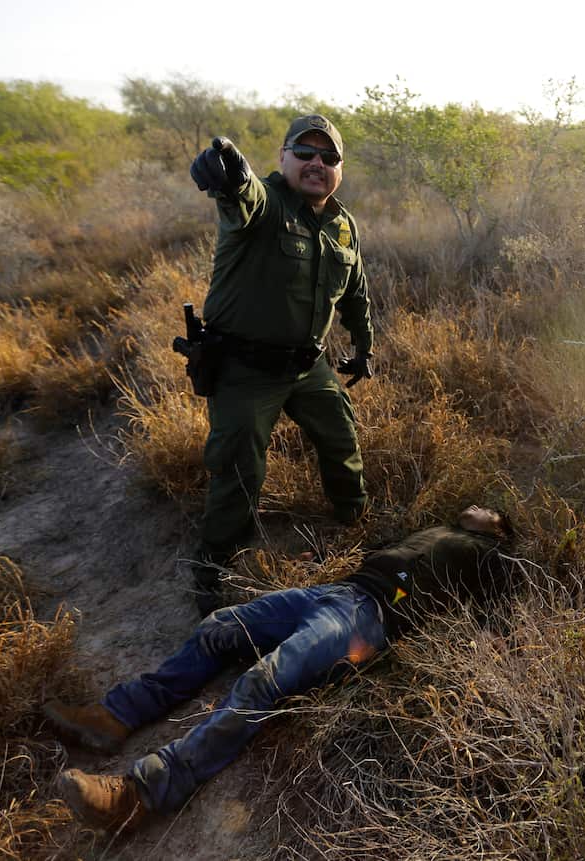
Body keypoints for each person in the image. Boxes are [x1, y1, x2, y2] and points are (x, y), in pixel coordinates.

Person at [45, 505, 517, 833]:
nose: (474, 506)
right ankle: (117, 715)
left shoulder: (486, 554)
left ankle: (138, 795)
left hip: (364, 621)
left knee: (262, 680)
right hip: (332, 592)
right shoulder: (434, 532)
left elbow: (500, 601)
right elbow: (375, 550)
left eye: (486, 508)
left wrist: (497, 640)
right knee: (218, 627)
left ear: (496, 527)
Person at [185, 114, 375, 613]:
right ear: (283, 158)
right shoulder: (266, 203)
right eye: (305, 153)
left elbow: (355, 292)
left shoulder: (342, 223)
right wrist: (231, 174)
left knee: (341, 435)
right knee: (240, 466)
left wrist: (364, 345)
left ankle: (353, 517)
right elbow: (241, 196)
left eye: (328, 157)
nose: (317, 163)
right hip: (244, 369)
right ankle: (213, 564)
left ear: (340, 168)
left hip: (306, 365)